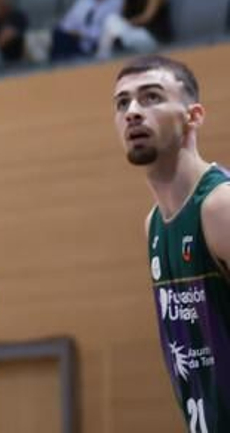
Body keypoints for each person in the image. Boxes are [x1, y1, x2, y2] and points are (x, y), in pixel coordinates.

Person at [113, 54, 230, 429]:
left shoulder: (219, 207)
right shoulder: (154, 226)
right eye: (122, 102)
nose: (132, 111)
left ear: (193, 116)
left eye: (151, 97)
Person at [51, 0, 124, 61]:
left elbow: (110, 29)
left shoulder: (117, 2)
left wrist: (83, 34)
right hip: (73, 42)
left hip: (95, 45)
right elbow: (66, 24)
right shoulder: (83, 1)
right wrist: (72, 32)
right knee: (57, 35)